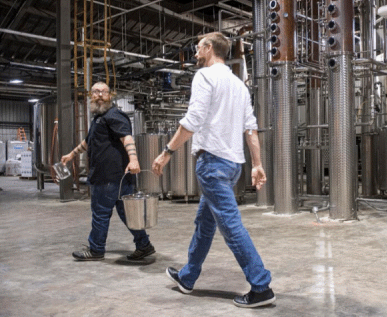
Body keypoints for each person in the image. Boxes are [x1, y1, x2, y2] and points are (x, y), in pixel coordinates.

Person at [152, 32, 275, 308]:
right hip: (232, 166)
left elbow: (192, 120)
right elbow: (250, 128)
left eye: (198, 48)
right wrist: (256, 164)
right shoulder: (239, 86)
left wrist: (166, 152)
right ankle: (188, 276)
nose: (195, 53)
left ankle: (261, 286)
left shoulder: (205, 77)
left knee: (231, 226)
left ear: (209, 48)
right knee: (205, 223)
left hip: (213, 165)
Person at [61, 82, 155, 261]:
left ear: (110, 95)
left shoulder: (114, 115)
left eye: (103, 92)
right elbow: (88, 142)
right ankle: (144, 245)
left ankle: (96, 250)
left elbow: (127, 138)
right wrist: (71, 155)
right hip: (117, 179)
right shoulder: (98, 118)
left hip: (108, 177)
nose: (99, 95)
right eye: (95, 92)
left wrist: (134, 159)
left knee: (100, 213)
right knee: (127, 213)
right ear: (91, 95)